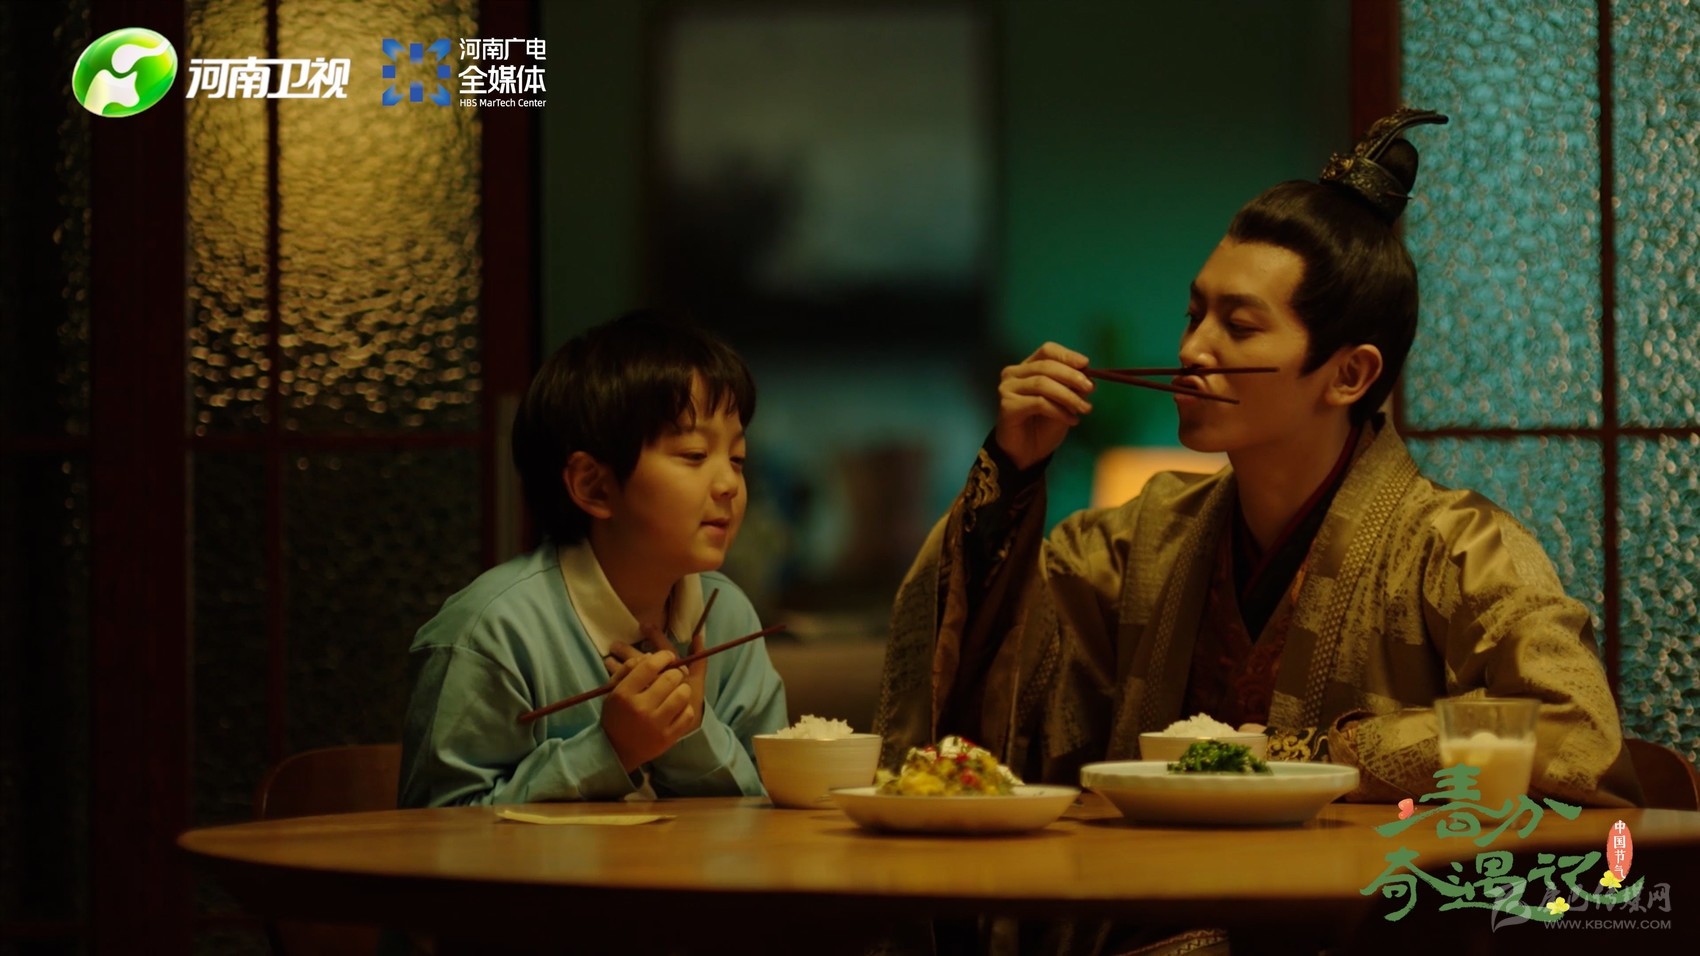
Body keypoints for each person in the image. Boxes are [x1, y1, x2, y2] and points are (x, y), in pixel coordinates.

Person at [874, 108, 1641, 816]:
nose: (1192, 349)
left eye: (1238, 327)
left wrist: (1322, 757)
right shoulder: (1141, 541)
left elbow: (1575, 735)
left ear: (1350, 374)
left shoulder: (1463, 552)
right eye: (1194, 314)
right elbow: (988, 685)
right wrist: (1011, 470)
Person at [399, 310, 787, 807]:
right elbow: (438, 832)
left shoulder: (727, 613)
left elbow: (773, 804)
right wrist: (612, 749)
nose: (730, 483)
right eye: (694, 454)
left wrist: (687, 732)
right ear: (594, 486)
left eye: (737, 458)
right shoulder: (490, 633)